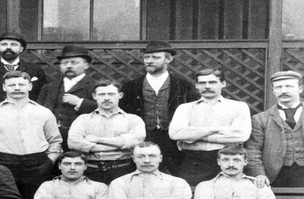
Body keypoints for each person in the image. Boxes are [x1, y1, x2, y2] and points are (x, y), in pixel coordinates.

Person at [0, 71, 61, 199]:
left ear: (30, 86)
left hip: (37, 164)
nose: (17, 88)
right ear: (4, 87)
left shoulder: (43, 112)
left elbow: (55, 141)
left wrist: (49, 163)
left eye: (21, 84)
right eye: (11, 85)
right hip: (4, 163)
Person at [245, 70, 304, 199]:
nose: (283, 90)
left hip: (302, 174)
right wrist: (260, 174)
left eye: (289, 86)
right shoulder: (261, 119)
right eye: (279, 87)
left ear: (300, 88)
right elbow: (252, 151)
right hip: (274, 175)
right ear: (273, 91)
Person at [120, 41, 198, 174]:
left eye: (155, 57)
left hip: (174, 141)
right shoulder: (131, 86)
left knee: (178, 175)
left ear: (168, 59)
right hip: (144, 138)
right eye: (146, 57)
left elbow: (194, 112)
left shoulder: (183, 85)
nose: (149, 61)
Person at [169, 68, 251, 187]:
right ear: (196, 85)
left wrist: (194, 136)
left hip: (226, 159)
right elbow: (175, 133)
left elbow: (241, 135)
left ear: (223, 84)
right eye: (202, 83)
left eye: (212, 82)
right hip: (192, 161)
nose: (207, 86)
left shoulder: (238, 107)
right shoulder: (185, 108)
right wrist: (217, 129)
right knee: (191, 194)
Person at [68, 80, 146, 184]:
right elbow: (73, 143)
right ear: (94, 96)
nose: (106, 98)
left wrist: (97, 140)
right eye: (101, 94)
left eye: (111, 94)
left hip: (123, 170)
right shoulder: (83, 119)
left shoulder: (133, 119)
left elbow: (134, 141)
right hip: (90, 170)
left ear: (120, 95)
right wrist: (118, 145)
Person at [37, 45, 98, 145]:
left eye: (74, 62)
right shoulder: (49, 87)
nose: (69, 66)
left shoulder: (95, 87)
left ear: (86, 65)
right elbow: (38, 112)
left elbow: (102, 110)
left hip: (82, 139)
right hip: (51, 139)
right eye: (65, 63)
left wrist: (80, 102)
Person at [0, 30, 48, 108]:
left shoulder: (35, 69)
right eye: (4, 44)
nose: (8, 47)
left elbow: (44, 93)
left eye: (14, 44)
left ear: (21, 49)